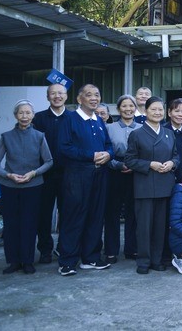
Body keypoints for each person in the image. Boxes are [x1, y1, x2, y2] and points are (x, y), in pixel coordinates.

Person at [56, 84, 114, 276]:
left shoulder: (98, 120)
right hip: (77, 176)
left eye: (96, 95)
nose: (93, 98)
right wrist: (91, 155)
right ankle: (67, 261)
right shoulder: (70, 119)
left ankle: (91, 258)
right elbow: (64, 148)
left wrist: (108, 154)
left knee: (96, 216)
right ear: (80, 99)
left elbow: (108, 145)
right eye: (88, 95)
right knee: (74, 217)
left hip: (99, 175)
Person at [0, 100, 53, 274]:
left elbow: (49, 161)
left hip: (33, 185)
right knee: (11, 224)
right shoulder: (6, 136)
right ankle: (13, 261)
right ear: (15, 115)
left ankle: (27, 261)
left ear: (33, 115)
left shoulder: (40, 136)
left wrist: (33, 173)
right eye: (21, 113)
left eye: (28, 113)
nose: (24, 116)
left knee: (29, 223)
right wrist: (8, 175)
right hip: (9, 186)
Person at [124, 96, 178, 274]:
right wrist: (149, 165)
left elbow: (176, 156)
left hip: (164, 185)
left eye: (160, 110)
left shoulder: (169, 133)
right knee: (144, 227)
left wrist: (172, 163)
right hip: (145, 185)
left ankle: (157, 259)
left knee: (160, 226)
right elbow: (129, 159)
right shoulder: (137, 134)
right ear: (146, 111)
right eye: (153, 109)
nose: (157, 112)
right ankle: (143, 261)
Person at [32, 83, 70, 265]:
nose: (57, 96)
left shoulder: (72, 118)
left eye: (60, 93)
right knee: (43, 214)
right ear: (48, 97)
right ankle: (45, 250)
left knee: (68, 214)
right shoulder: (38, 119)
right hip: (44, 175)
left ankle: (64, 248)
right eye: (53, 93)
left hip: (68, 174)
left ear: (66, 96)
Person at [104, 95, 141, 264]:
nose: (128, 109)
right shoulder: (109, 127)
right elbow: (105, 149)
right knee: (112, 212)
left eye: (131, 106)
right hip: (114, 172)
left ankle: (131, 248)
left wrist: (135, 165)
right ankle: (111, 250)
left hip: (136, 174)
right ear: (118, 109)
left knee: (133, 212)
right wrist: (117, 165)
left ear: (135, 108)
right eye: (124, 106)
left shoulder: (142, 127)